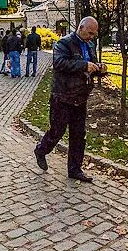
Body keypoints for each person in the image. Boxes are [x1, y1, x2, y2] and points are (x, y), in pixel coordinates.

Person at [34, 16, 106, 183]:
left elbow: (91, 65)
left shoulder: (90, 45)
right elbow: (59, 63)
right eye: (89, 33)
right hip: (63, 95)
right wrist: (83, 65)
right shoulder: (63, 43)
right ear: (80, 28)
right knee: (57, 131)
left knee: (78, 135)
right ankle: (41, 150)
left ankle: (74, 169)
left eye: (94, 34)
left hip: (81, 96)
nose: (91, 37)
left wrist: (99, 69)